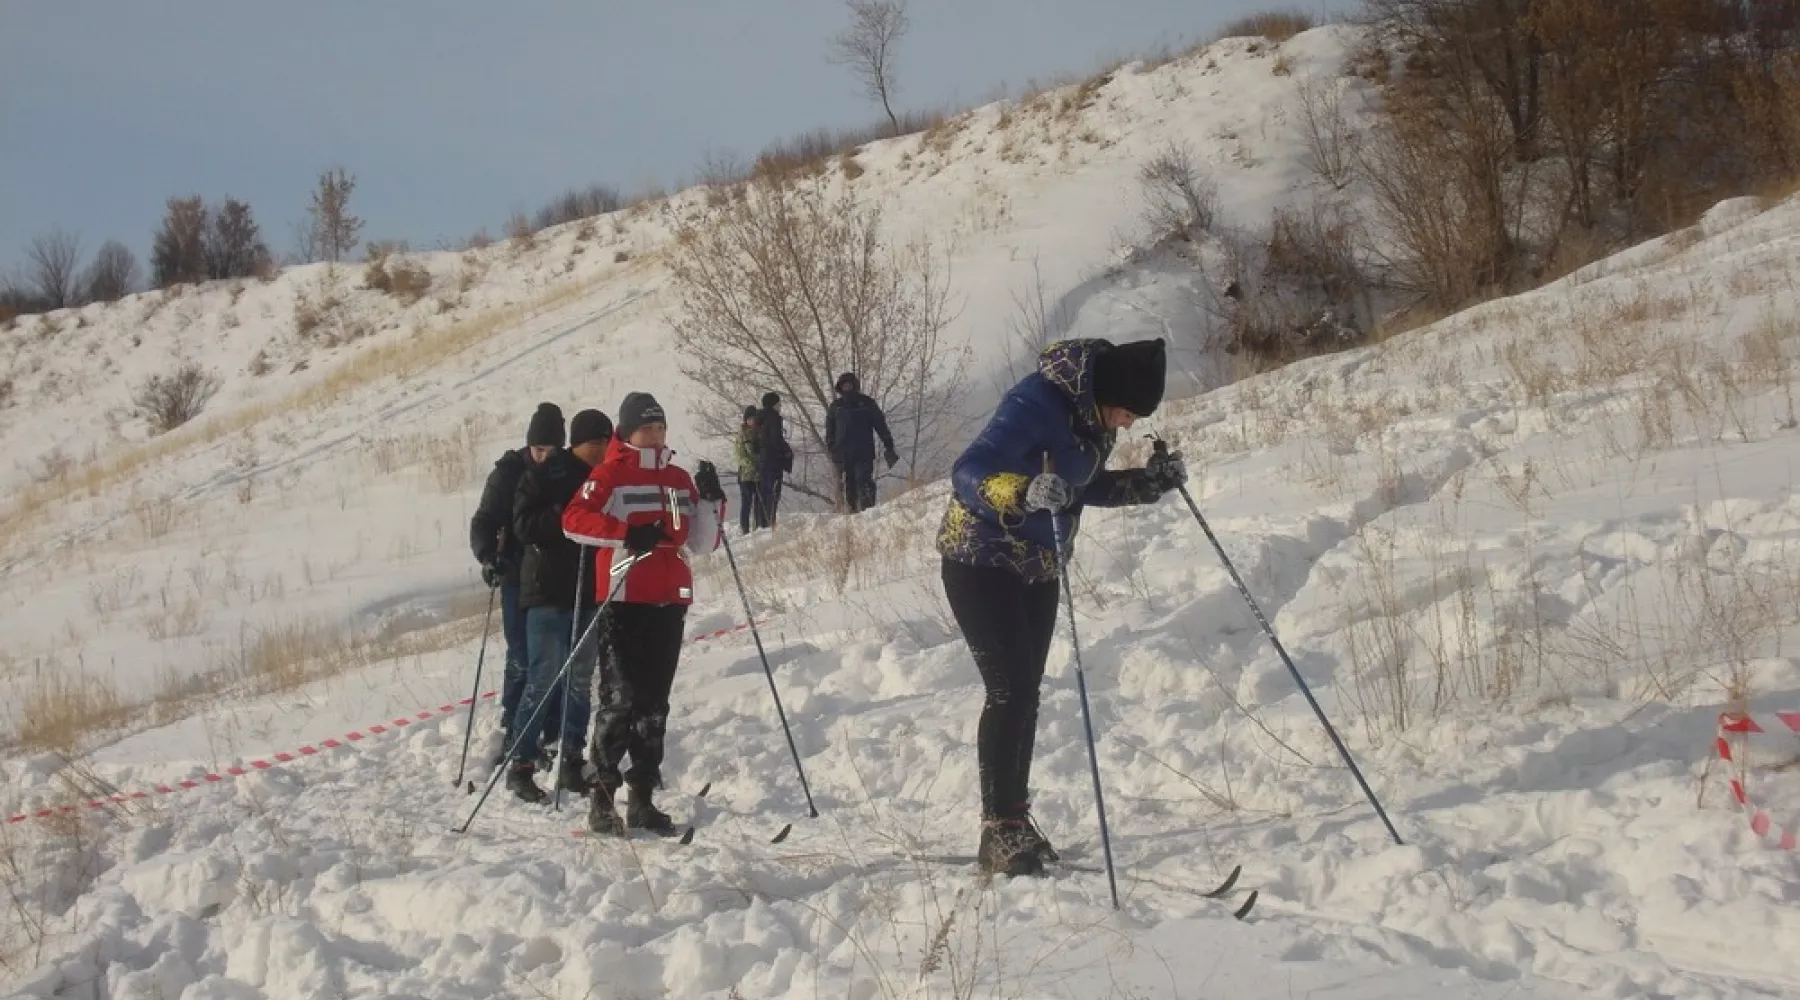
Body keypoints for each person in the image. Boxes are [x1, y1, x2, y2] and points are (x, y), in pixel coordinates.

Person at [935, 338, 1188, 877]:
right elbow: (969, 470)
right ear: (1107, 393)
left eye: (1134, 418)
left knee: (1027, 691)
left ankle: (1015, 818)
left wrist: (1146, 484)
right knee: (1010, 689)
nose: (1124, 425)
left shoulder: (1090, 416)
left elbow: (1079, 487)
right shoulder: (1035, 403)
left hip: (1037, 563)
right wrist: (1021, 491)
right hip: (979, 557)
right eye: (1126, 411)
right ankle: (998, 829)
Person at [562, 392, 727, 836]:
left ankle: (642, 799)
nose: (655, 437)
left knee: (655, 704)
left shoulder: (676, 479)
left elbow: (699, 541)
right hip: (622, 594)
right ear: (628, 432)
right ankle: (601, 796)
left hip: (669, 596)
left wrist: (711, 503)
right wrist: (626, 533)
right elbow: (574, 519)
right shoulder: (610, 474)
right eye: (646, 429)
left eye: (661, 429)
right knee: (620, 701)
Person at [505, 408, 614, 803]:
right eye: (594, 444)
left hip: (588, 592)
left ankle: (571, 757)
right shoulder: (547, 472)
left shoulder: (606, 479)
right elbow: (523, 524)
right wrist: (566, 518)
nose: (600, 451)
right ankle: (521, 762)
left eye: (606, 443)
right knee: (544, 676)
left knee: (581, 679)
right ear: (576, 443)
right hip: (548, 590)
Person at [470, 401, 564, 766]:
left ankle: (550, 729)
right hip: (514, 575)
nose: (543, 456)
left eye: (551, 450)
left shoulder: (564, 472)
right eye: (538, 449)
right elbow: (483, 521)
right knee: (522, 655)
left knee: (554, 656)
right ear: (529, 445)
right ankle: (514, 724)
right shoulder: (508, 473)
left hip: (553, 577)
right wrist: (487, 556)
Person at [825, 372, 899, 514]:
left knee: (863, 480)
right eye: (844, 385)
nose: (847, 387)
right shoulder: (836, 407)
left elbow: (880, 424)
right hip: (843, 453)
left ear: (855, 385)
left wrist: (888, 442)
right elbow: (829, 429)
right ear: (840, 387)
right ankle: (853, 513)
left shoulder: (867, 403)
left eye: (849, 384)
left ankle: (868, 512)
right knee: (850, 485)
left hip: (863, 451)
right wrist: (831, 446)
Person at [755, 391, 791, 528]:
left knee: (764, 492)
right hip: (773, 461)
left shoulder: (759, 419)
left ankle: (761, 522)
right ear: (773, 404)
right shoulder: (774, 418)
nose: (780, 407)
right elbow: (776, 439)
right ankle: (770, 521)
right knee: (774, 492)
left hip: (762, 460)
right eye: (778, 404)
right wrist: (786, 451)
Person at [734, 405, 766, 533]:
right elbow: (739, 455)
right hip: (746, 475)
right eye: (750, 419)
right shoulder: (742, 435)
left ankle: (758, 527)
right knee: (746, 504)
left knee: (759, 503)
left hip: (759, 475)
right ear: (746, 420)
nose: (753, 421)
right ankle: (745, 529)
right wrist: (752, 465)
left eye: (754, 418)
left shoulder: (760, 433)